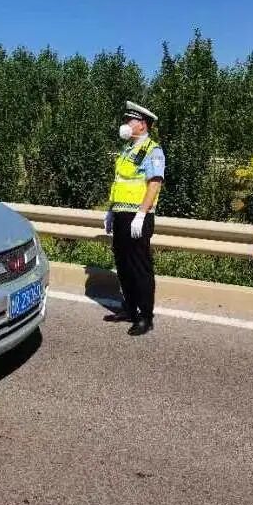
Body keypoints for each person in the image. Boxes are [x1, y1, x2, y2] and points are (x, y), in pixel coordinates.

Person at [104, 100, 166, 336]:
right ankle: (129, 309)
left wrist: (141, 214)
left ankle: (146, 317)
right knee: (123, 264)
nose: (126, 124)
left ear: (142, 124)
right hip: (121, 214)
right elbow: (119, 182)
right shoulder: (127, 150)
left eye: (130, 120)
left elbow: (154, 184)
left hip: (138, 216)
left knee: (140, 267)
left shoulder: (152, 150)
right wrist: (111, 210)